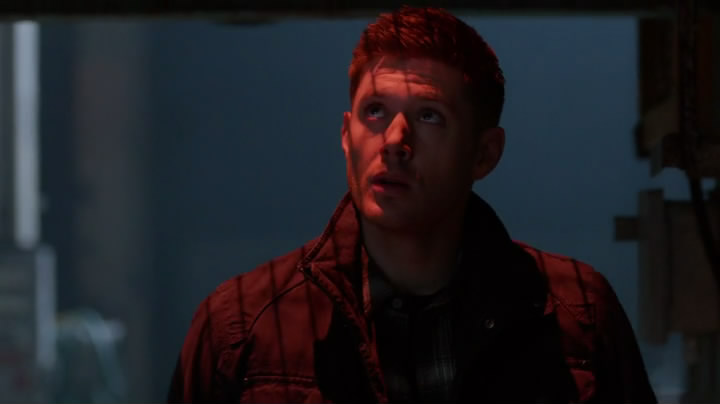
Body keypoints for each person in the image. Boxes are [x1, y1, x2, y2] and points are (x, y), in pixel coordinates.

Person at [167, 6, 657, 403]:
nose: (394, 141)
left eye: (429, 116)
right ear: (346, 135)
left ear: (484, 154)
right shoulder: (240, 326)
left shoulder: (577, 313)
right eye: (375, 111)